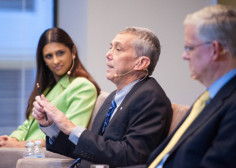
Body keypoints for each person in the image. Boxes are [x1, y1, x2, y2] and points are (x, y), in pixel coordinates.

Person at [0, 27, 100, 168]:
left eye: (60, 53)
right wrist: (10, 139)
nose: (55, 61)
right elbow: (27, 126)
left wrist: (18, 144)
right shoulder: (50, 88)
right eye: (49, 56)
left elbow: (71, 137)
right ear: (43, 60)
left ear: (73, 51)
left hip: (38, 156)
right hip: (23, 151)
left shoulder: (82, 86)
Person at [33, 27, 173, 168]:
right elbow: (91, 150)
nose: (108, 54)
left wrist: (70, 127)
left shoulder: (150, 97)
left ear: (141, 63)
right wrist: (51, 127)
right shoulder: (115, 96)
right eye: (110, 47)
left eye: (118, 49)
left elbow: (131, 156)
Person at [140, 5, 236, 168]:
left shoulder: (232, 104)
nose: (184, 56)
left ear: (214, 50)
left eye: (189, 48)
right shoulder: (209, 97)